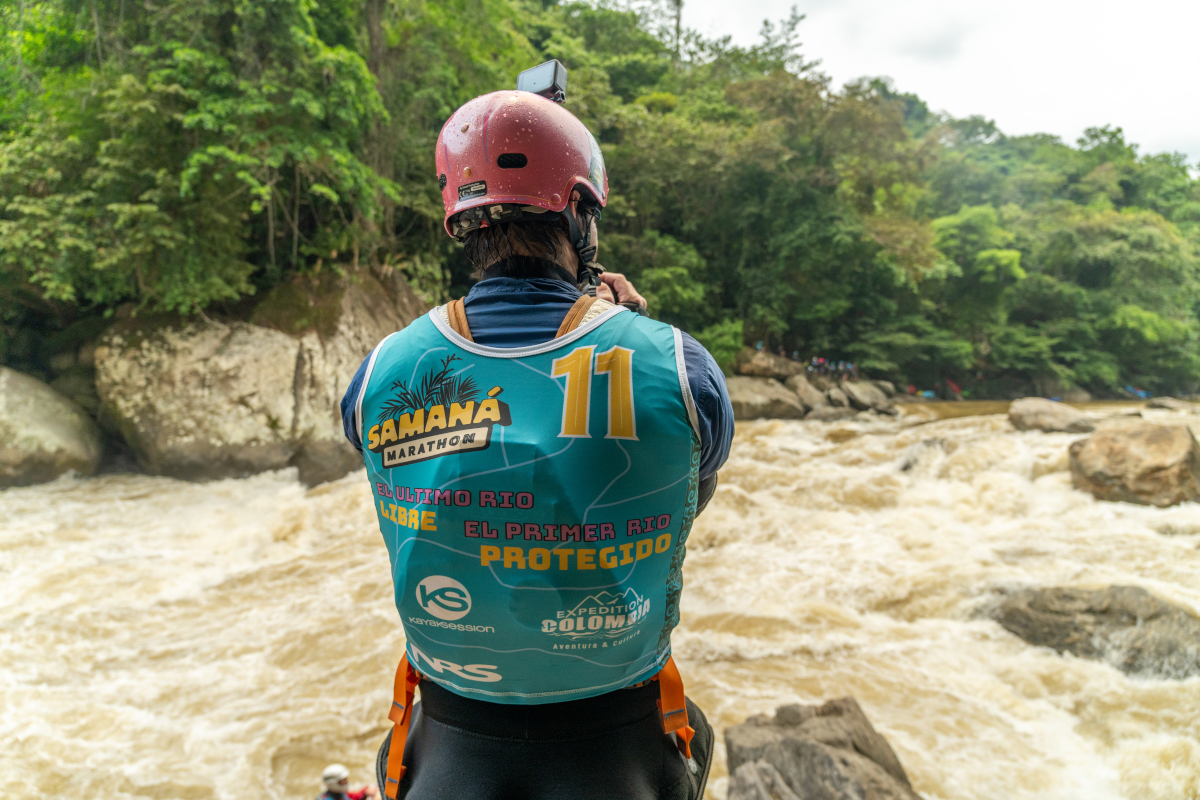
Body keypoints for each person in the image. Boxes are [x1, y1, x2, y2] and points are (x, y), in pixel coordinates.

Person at [339, 85, 733, 800]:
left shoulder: (379, 373)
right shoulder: (679, 366)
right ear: (580, 211)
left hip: (448, 740)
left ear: (461, 221)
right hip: (618, 746)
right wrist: (627, 330)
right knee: (696, 736)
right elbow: (680, 499)